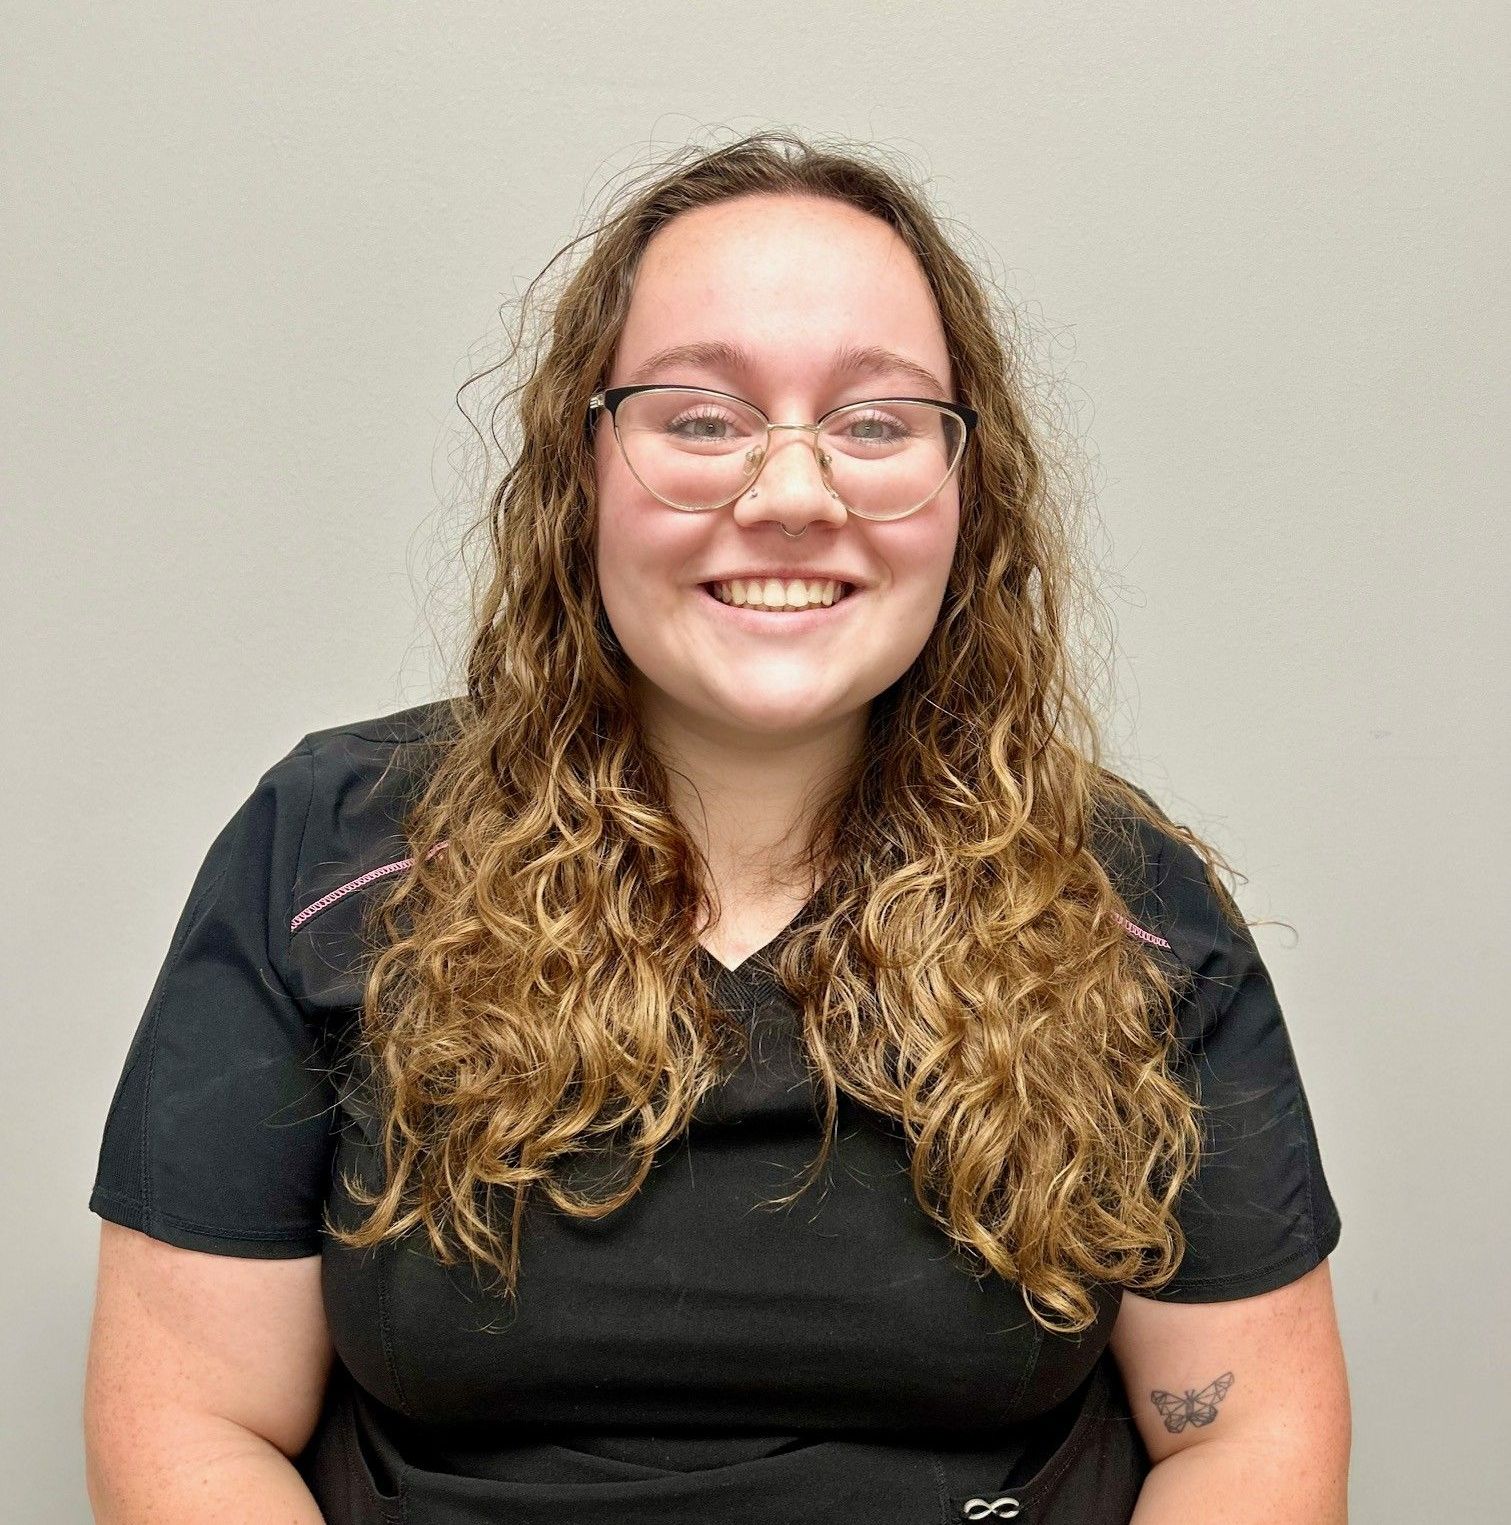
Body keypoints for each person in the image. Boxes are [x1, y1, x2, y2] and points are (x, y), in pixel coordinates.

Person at [82, 131, 1350, 1524]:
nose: (792, 495)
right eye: (700, 419)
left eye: (874, 423)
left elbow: (1251, 1434)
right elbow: (190, 1415)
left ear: (966, 490)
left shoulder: (1120, 900)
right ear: (582, 471)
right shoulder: (333, 850)